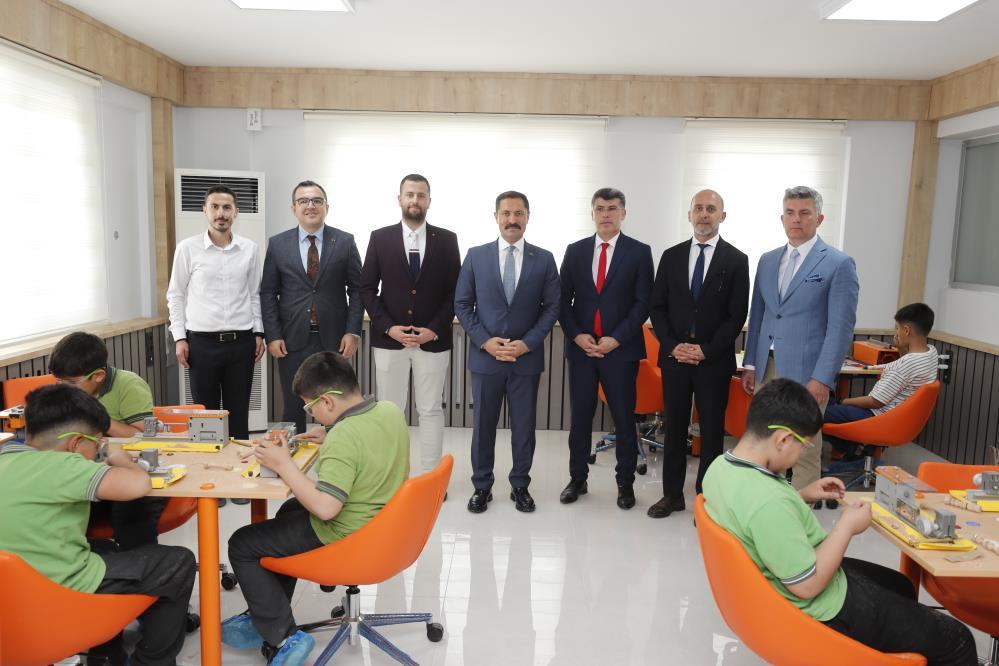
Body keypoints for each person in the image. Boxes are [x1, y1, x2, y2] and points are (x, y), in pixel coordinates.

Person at [703, 378, 977, 666]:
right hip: (819, 605)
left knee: (900, 586)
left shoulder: (721, 467)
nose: (802, 455)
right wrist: (846, 526)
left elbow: (755, 517)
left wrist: (800, 496)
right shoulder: (768, 502)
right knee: (957, 640)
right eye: (804, 446)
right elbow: (807, 586)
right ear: (782, 440)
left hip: (785, 580)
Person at [222, 351, 409, 665]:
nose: (311, 414)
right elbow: (364, 437)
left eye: (311, 407)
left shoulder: (345, 437)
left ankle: (283, 637)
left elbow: (326, 509)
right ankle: (269, 612)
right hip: (386, 525)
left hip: (349, 534)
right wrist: (332, 430)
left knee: (242, 543)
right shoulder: (389, 410)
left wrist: (284, 465)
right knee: (289, 511)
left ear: (328, 402)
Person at [0, 384, 196, 666]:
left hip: (10, 595)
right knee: (178, 562)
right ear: (75, 444)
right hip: (57, 590)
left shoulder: (6, 455)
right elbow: (138, 485)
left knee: (105, 547)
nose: (97, 453)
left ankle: (107, 652)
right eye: (97, 445)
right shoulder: (67, 464)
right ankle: (150, 661)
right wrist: (121, 460)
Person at [742, 185, 859, 494]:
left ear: (819, 218)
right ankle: (766, 503)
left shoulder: (838, 263)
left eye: (805, 213)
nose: (797, 219)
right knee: (765, 442)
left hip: (808, 373)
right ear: (782, 218)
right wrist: (750, 364)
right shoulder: (767, 260)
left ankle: (800, 512)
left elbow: (841, 328)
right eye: (790, 213)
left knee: (803, 447)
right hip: (766, 367)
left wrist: (822, 378)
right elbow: (758, 315)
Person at [454, 191, 560, 513]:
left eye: (518, 213)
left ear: (527, 217)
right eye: (506, 213)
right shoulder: (476, 256)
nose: (512, 220)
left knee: (524, 428)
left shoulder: (544, 259)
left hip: (525, 359)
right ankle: (481, 486)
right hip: (486, 358)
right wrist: (485, 341)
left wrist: (527, 343)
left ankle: (520, 485)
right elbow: (462, 304)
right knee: (483, 427)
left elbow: (552, 307)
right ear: (496, 217)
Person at [648, 189, 749, 518]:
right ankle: (671, 495)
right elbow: (657, 307)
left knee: (711, 433)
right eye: (699, 208)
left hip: (713, 361)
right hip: (675, 358)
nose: (704, 214)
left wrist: (705, 350)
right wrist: (673, 345)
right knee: (674, 428)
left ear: (722, 216)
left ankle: (707, 501)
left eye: (711, 209)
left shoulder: (736, 260)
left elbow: (736, 316)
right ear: (689, 214)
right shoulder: (671, 256)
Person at [558, 187, 654, 509]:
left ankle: (625, 484)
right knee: (580, 419)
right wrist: (577, 336)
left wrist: (616, 338)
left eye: (612, 208)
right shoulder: (575, 251)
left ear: (623, 213)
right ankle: (577, 479)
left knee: (624, 421)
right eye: (600, 208)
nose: (606, 214)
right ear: (592, 213)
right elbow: (563, 301)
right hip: (582, 352)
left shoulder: (639, 252)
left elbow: (643, 303)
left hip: (621, 352)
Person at [360, 174, 461, 474]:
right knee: (390, 411)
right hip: (390, 341)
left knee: (430, 410)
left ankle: (430, 477)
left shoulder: (447, 240)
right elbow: (367, 289)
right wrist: (388, 327)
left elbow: (456, 292)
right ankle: (394, 476)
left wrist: (435, 329)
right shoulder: (380, 238)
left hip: (433, 341)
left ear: (429, 200)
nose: (415, 200)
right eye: (410, 194)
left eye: (421, 195)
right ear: (400, 199)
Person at [260, 180, 363, 434]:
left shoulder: (345, 241)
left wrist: (352, 331)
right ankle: (292, 456)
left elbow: (358, 289)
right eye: (303, 201)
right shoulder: (278, 244)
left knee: (338, 406)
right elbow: (268, 292)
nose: (310, 206)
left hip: (335, 339)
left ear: (327, 206)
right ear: (293, 208)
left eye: (317, 201)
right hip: (291, 340)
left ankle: (339, 452)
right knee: (294, 405)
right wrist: (273, 335)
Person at [49, 331, 167, 549]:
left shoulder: (129, 385)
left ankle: (139, 562)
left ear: (98, 376)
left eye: (71, 383)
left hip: (130, 469)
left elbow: (142, 436)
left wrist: (97, 417)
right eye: (58, 382)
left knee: (130, 509)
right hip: (85, 471)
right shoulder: (63, 393)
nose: (64, 389)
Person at [166, 184, 265, 441]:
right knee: (205, 418)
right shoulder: (187, 248)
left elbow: (254, 294)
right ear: (205, 211)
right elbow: (175, 295)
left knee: (239, 415)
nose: (221, 213)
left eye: (227, 207)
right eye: (215, 207)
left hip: (241, 343)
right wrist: (179, 338)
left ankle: (238, 464)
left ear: (236, 212)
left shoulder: (249, 249)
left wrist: (258, 333)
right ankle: (207, 464)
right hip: (201, 344)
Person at [825, 303, 938, 448]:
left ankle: (854, 450)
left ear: (907, 330)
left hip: (877, 417)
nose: (896, 332)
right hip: (898, 419)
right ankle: (856, 450)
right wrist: (901, 348)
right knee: (829, 404)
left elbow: (875, 402)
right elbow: (908, 367)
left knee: (815, 412)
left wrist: (843, 401)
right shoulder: (931, 353)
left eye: (897, 328)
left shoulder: (905, 365)